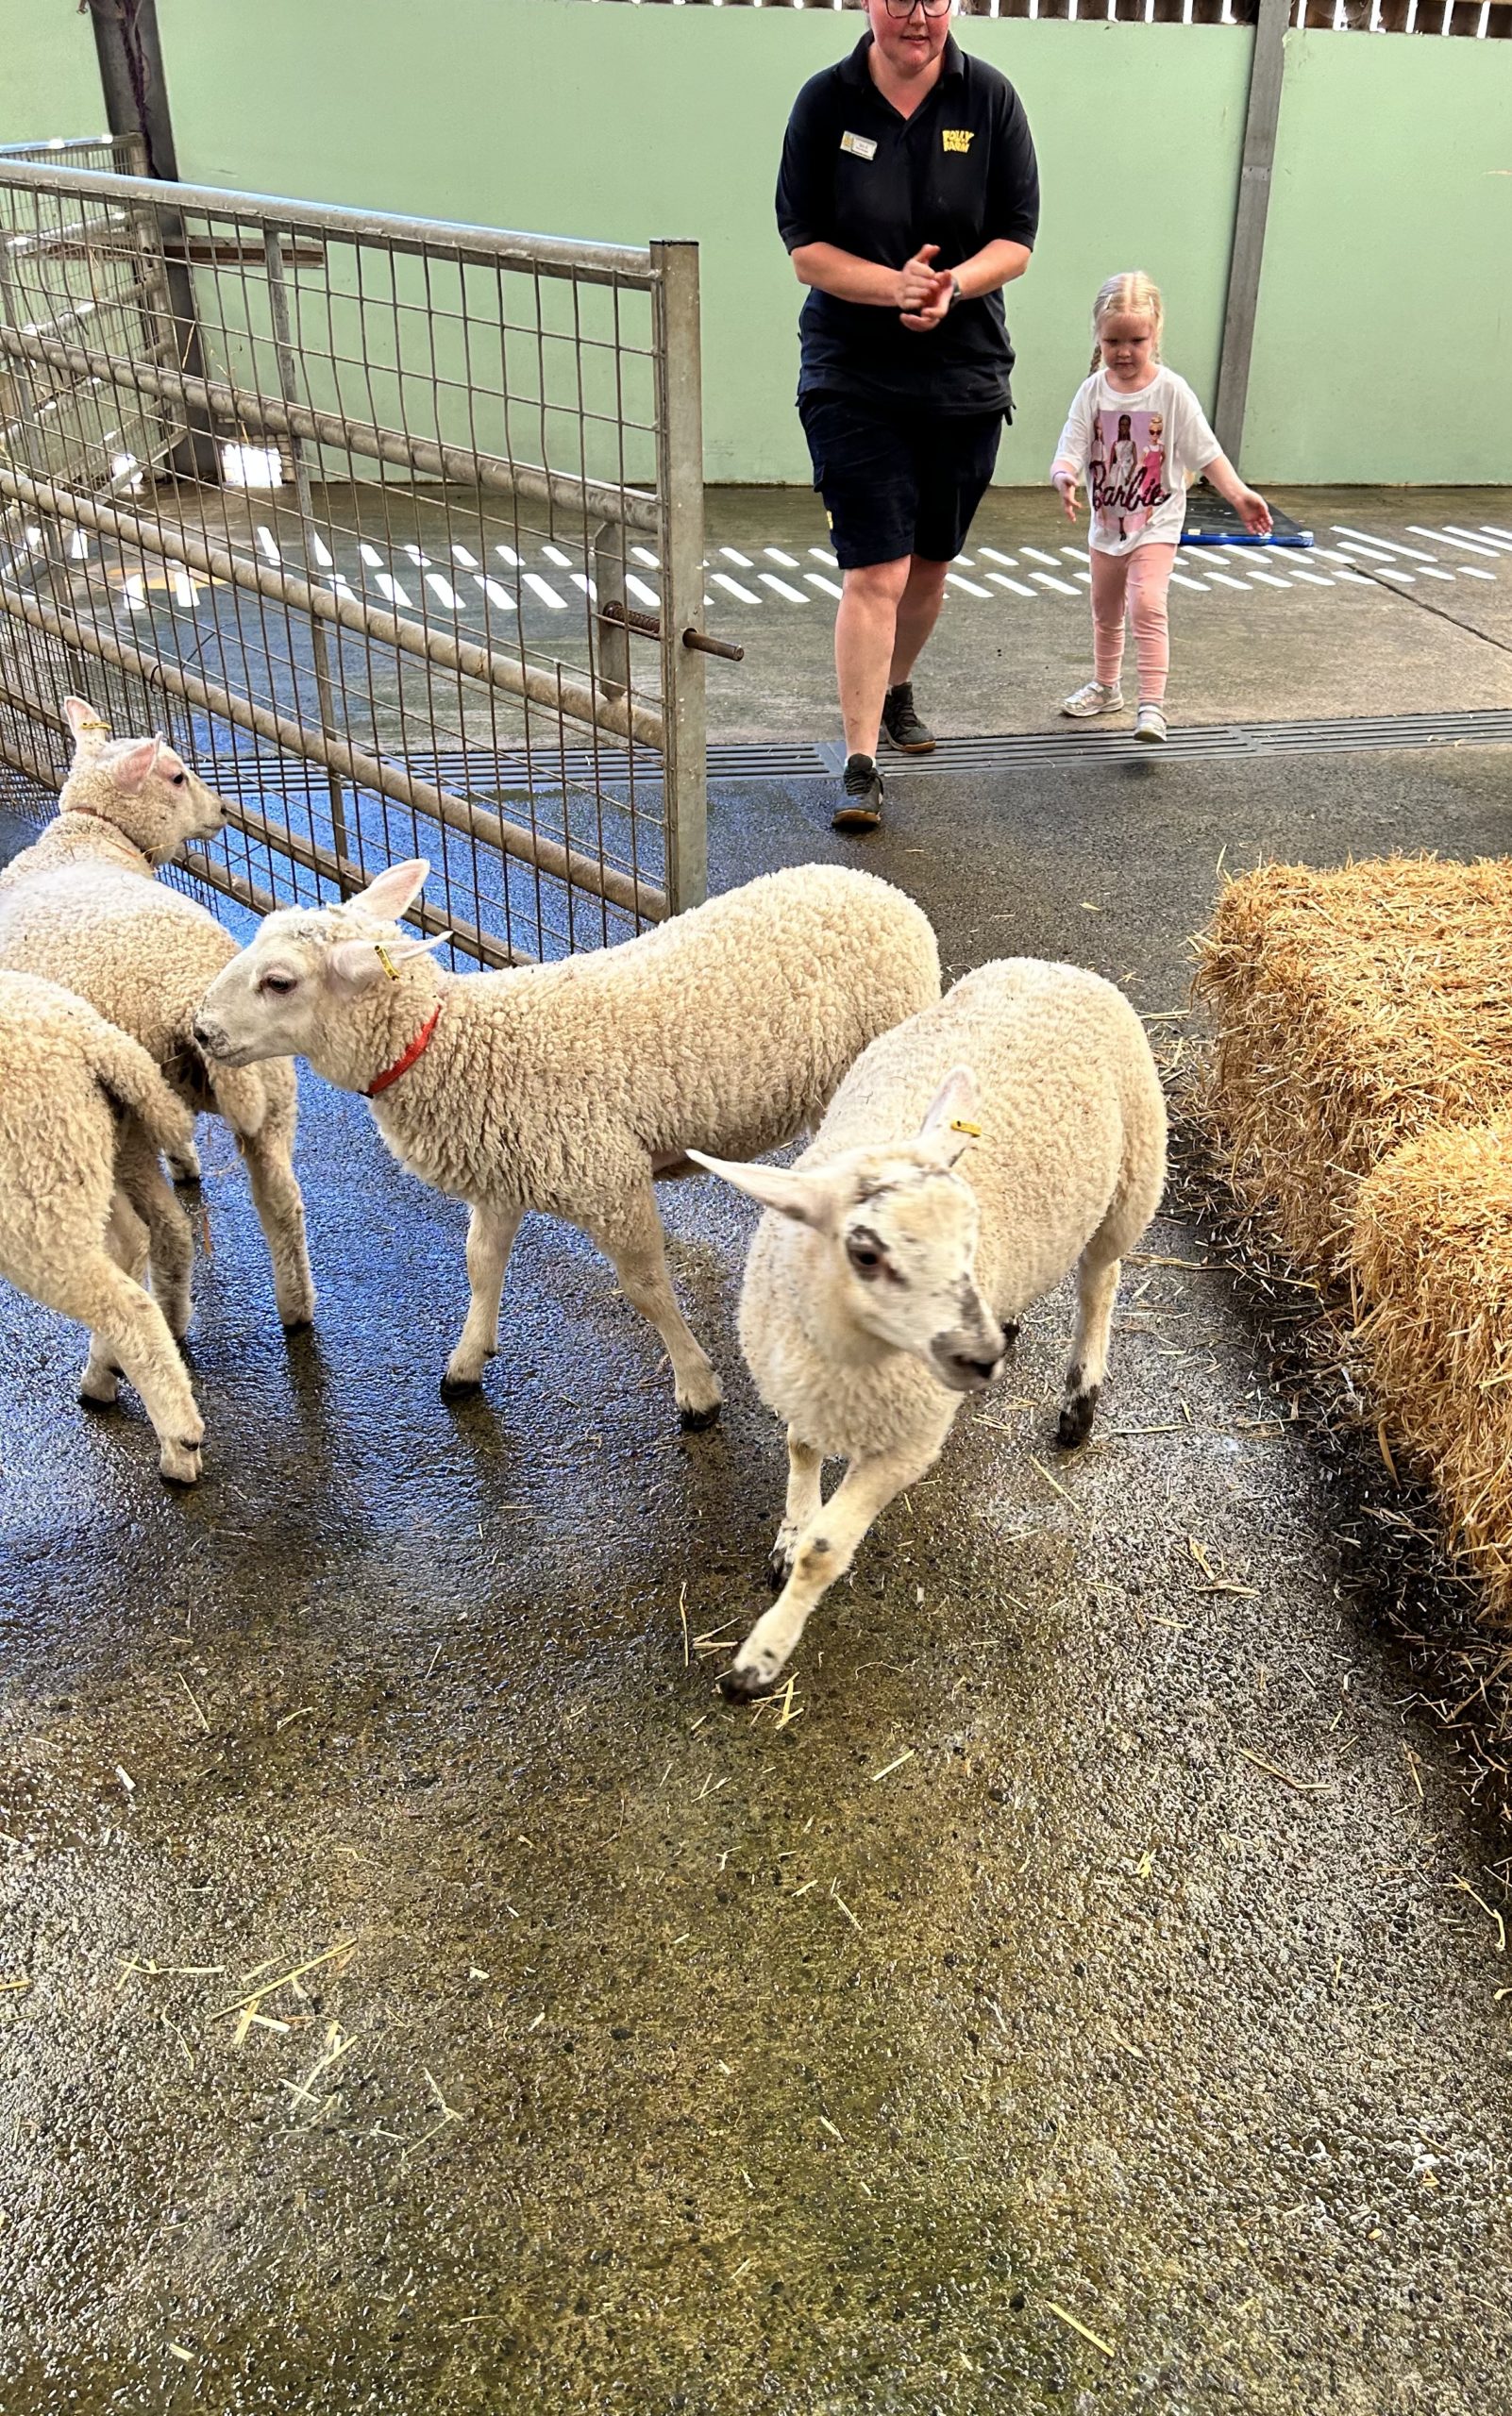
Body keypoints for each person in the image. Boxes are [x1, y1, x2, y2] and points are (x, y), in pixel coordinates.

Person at [776, 0, 1038, 832]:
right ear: (868, 5)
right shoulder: (826, 102)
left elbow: (1018, 239)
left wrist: (950, 285)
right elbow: (804, 247)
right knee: (875, 569)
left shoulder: (990, 100)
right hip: (853, 375)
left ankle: (894, 687)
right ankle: (860, 765)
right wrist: (894, 287)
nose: (916, 15)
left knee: (929, 567)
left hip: (963, 377)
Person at [1050, 269, 1271, 745]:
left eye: (1137, 339)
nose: (1124, 351)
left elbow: (1205, 451)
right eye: (1113, 341)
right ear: (1098, 337)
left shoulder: (1171, 391)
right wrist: (1064, 474)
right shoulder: (1092, 391)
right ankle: (1107, 687)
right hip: (1108, 524)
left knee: (1147, 604)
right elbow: (1070, 443)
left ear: (1156, 333)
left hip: (1157, 522)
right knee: (1105, 609)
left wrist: (1239, 495)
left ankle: (1152, 705)